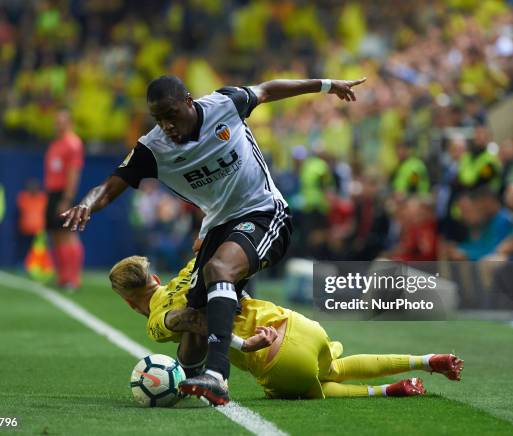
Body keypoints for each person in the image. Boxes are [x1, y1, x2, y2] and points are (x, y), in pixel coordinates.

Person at [62, 75, 367, 404]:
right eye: (159, 118)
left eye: (172, 114)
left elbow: (267, 90)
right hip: (219, 227)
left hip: (265, 212)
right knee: (195, 321)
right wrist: (86, 204)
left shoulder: (226, 104)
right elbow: (110, 186)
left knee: (219, 269)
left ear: (189, 101)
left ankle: (218, 375)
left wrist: (325, 85)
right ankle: (192, 386)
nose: (167, 125)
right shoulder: (152, 149)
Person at [109, 255, 464, 403]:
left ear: (127, 302)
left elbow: (192, 321)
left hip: (274, 355)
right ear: (154, 277)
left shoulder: (157, 321)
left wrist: (242, 343)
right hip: (299, 324)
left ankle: (386, 391)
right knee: (335, 367)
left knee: (313, 388)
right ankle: (425, 359)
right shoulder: (190, 269)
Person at [44, 110, 84, 291]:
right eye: (56, 121)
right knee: (55, 234)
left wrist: (67, 198)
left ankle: (73, 279)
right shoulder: (55, 144)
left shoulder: (73, 143)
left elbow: (73, 172)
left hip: (64, 193)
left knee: (68, 234)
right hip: (52, 193)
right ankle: (62, 276)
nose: (57, 124)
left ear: (69, 123)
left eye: (61, 121)